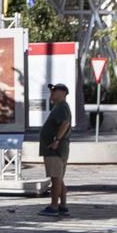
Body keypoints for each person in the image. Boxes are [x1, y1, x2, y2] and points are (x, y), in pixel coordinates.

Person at [39, 83, 73, 216]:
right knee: (59, 177)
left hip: (55, 149)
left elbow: (65, 123)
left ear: (64, 93)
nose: (52, 94)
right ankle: (63, 205)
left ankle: (54, 206)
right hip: (57, 148)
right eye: (51, 92)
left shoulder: (61, 107)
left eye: (55, 91)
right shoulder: (60, 107)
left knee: (55, 178)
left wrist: (56, 141)